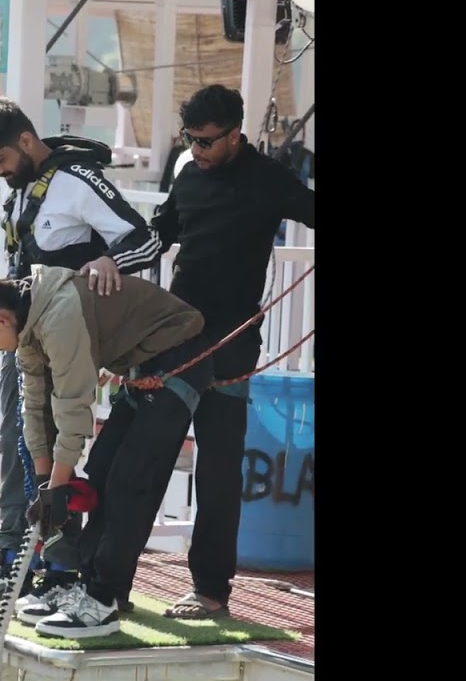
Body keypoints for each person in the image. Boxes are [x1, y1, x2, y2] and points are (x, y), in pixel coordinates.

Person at [0, 96, 161, 613]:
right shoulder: (22, 191)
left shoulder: (76, 180)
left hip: (65, 339)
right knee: (15, 446)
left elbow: (146, 239)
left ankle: (59, 572)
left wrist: (108, 261)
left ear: (25, 141)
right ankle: (12, 567)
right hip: (23, 340)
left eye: (0, 159)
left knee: (61, 454)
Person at [0, 265, 213, 638]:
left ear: (0, 320)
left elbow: (73, 405)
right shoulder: (27, 327)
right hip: (144, 364)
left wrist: (59, 488)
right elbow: (36, 408)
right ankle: (96, 589)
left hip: (182, 358)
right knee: (101, 472)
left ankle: (101, 601)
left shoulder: (58, 315)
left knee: (130, 481)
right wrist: (46, 483)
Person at [151, 85, 316, 619]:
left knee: (219, 470)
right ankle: (107, 581)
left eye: (205, 142)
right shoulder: (186, 173)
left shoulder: (269, 180)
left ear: (236, 135)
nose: (196, 151)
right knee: (144, 457)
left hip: (233, 344)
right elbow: (163, 231)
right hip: (175, 337)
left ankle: (210, 592)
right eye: (190, 140)